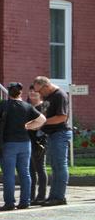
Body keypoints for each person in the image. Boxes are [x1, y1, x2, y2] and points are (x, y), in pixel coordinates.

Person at [0, 82, 46, 211]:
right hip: (25, 143)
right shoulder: (27, 106)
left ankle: (9, 202)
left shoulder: (4, 105)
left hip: (9, 143)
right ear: (21, 92)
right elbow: (42, 119)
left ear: (8, 92)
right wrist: (28, 126)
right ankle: (25, 201)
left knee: (9, 174)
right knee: (25, 173)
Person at [32, 76, 72, 206]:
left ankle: (59, 197)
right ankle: (53, 196)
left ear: (46, 86)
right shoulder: (48, 96)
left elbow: (62, 117)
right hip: (52, 134)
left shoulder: (59, 95)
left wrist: (42, 122)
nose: (39, 94)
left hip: (60, 133)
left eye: (39, 91)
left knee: (60, 165)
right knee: (55, 166)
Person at [28, 85, 48, 205]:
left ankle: (41, 196)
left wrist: (27, 125)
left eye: (34, 91)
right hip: (28, 140)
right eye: (30, 91)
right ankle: (30, 196)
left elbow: (42, 124)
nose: (32, 93)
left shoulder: (43, 106)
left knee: (40, 168)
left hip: (39, 141)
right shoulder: (28, 106)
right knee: (30, 169)